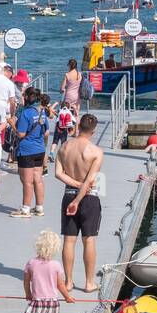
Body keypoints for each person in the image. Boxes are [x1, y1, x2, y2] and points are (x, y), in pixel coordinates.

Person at [55, 113, 105, 293]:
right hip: (88, 198)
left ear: (78, 127)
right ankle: (89, 283)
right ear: (94, 130)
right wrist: (79, 195)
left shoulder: (65, 147)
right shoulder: (96, 152)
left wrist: (74, 186)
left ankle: (68, 282)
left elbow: (58, 173)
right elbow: (90, 181)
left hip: (68, 195)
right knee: (89, 240)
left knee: (69, 240)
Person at [19, 230, 75, 313]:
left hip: (37, 303)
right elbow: (60, 284)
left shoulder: (31, 263)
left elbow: (26, 281)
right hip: (52, 304)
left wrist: (28, 293)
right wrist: (67, 297)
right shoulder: (55, 265)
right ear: (55, 247)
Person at [9, 86, 48, 217]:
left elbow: (20, 134)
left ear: (28, 98)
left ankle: (25, 209)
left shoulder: (26, 113)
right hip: (40, 149)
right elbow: (46, 131)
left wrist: (11, 124)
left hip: (26, 150)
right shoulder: (41, 112)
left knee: (27, 181)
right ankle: (39, 207)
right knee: (38, 179)